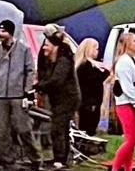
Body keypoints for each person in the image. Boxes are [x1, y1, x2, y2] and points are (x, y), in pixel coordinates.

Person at [0, 19, 39, 171]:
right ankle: (7, 162)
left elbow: (30, 71)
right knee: (2, 131)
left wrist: (27, 93)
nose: (0, 34)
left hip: (18, 95)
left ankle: (35, 158)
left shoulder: (24, 50)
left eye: (4, 31)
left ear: (11, 32)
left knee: (24, 129)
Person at [39, 34, 80, 169]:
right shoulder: (51, 61)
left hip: (68, 99)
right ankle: (61, 158)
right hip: (59, 100)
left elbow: (56, 81)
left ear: (55, 47)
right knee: (61, 128)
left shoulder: (63, 61)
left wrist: (39, 86)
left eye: (46, 45)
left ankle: (60, 159)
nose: (44, 47)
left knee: (58, 128)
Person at [111, 33, 135, 171]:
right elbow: (127, 87)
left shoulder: (134, 60)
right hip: (127, 104)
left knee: (132, 141)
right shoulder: (124, 62)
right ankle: (116, 167)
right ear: (128, 44)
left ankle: (128, 168)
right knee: (131, 140)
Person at [74, 38, 107, 136]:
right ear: (90, 49)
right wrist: (107, 72)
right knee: (88, 127)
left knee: (87, 126)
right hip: (89, 103)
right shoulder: (86, 66)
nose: (98, 51)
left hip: (88, 102)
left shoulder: (82, 65)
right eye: (96, 49)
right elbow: (96, 80)